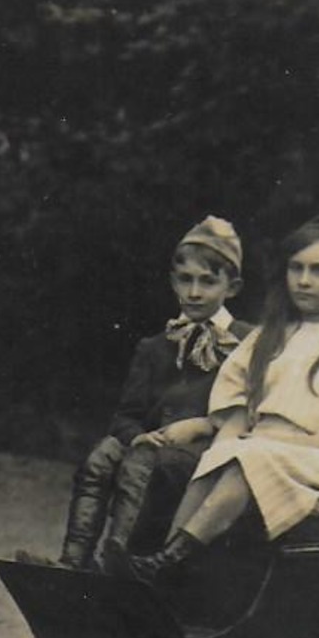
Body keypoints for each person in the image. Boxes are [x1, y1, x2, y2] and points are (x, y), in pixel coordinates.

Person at [127, 212, 319, 585]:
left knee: (246, 458)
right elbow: (235, 411)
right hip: (258, 452)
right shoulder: (268, 337)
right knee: (219, 458)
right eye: (296, 268)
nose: (303, 281)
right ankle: (161, 564)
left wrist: (284, 443)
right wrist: (221, 439)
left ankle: (174, 558)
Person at [58, 217, 252, 571]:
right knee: (101, 457)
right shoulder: (155, 346)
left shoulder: (247, 342)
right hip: (153, 447)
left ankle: (113, 560)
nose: (194, 292)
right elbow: (125, 415)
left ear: (232, 287)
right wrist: (139, 435)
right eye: (185, 280)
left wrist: (204, 426)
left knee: (139, 462)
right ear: (173, 282)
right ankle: (73, 561)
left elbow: (248, 411)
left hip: (202, 454)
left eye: (208, 282)